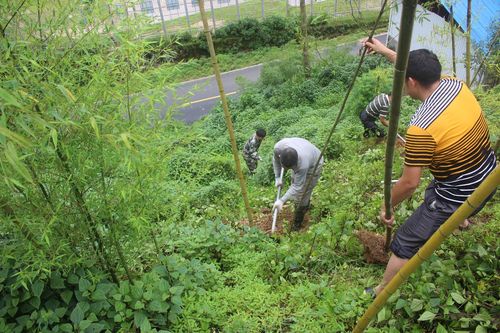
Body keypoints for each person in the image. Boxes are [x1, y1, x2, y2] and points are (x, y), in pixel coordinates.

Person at [362, 38, 497, 296]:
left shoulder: (422, 127)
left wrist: (386, 206)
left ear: (411, 82)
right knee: (434, 188)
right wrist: (384, 51)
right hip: (488, 178)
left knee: (404, 242)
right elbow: (415, 69)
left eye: (404, 79)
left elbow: (409, 183)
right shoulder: (456, 85)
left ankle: (381, 291)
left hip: (460, 195)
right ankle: (464, 221)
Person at [272, 138, 323, 231]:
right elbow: (275, 161)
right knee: (294, 182)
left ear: (295, 164)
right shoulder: (278, 148)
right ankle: (298, 204)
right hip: (303, 148)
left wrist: (281, 201)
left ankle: (298, 222)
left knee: (303, 191)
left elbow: (297, 186)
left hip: (315, 161)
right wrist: (277, 177)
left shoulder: (303, 165)